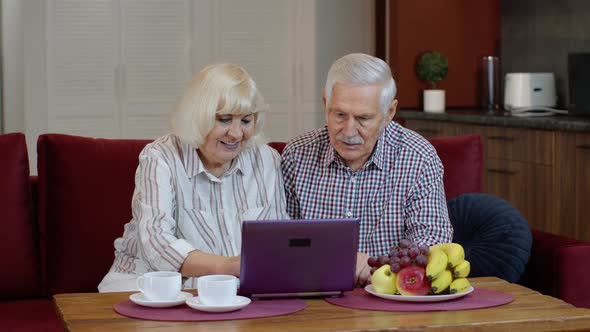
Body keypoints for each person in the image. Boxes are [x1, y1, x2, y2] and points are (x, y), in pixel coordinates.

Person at [98, 63, 289, 292]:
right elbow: (158, 246)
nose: (237, 133)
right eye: (225, 119)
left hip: (233, 289)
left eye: (246, 120)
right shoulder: (160, 157)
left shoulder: (267, 159)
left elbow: (277, 239)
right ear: (198, 117)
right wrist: (231, 267)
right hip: (150, 284)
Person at [281, 53, 453, 287]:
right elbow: (281, 243)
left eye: (363, 118)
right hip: (314, 294)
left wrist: (380, 265)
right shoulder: (296, 155)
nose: (349, 131)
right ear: (325, 102)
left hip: (391, 296)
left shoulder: (418, 157)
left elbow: (432, 241)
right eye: (340, 115)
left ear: (389, 113)